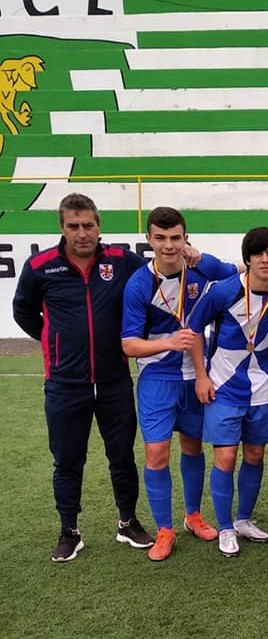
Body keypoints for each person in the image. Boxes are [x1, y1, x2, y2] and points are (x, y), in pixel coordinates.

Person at [13, 193, 155, 562]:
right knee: (67, 461)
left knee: (121, 455)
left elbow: (160, 276)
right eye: (74, 226)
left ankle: (128, 522)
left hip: (114, 380)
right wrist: (54, 339)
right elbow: (23, 311)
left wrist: (191, 253)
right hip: (64, 384)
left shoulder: (122, 261)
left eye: (88, 225)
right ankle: (69, 531)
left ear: (99, 225)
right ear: (62, 228)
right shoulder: (40, 266)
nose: (82, 233)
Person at [120, 206, 236, 561]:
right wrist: (169, 343)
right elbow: (129, 345)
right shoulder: (139, 284)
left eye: (175, 238)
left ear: (186, 238)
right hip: (158, 378)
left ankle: (193, 516)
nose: (168, 245)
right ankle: (164, 530)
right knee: (156, 453)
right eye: (160, 238)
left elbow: (240, 274)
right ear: (148, 239)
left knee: (193, 446)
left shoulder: (202, 266)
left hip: (197, 376)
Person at [188, 227, 268, 557]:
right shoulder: (224, 291)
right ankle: (225, 527)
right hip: (222, 387)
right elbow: (194, 331)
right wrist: (201, 376)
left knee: (256, 455)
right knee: (226, 457)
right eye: (258, 253)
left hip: (260, 390)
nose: (265, 259)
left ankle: (243, 519)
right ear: (248, 259)